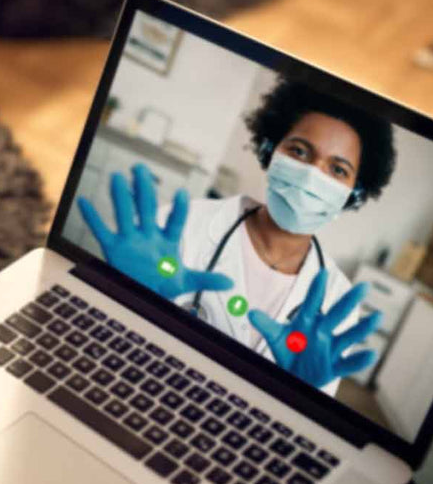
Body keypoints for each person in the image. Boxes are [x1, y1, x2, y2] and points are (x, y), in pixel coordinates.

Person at [79, 79, 391, 391]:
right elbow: (99, 355)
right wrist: (122, 296)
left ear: (353, 193)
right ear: (270, 150)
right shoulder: (183, 227)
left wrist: (301, 396)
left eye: (338, 170)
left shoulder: (337, 301)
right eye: (299, 151)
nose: (313, 175)